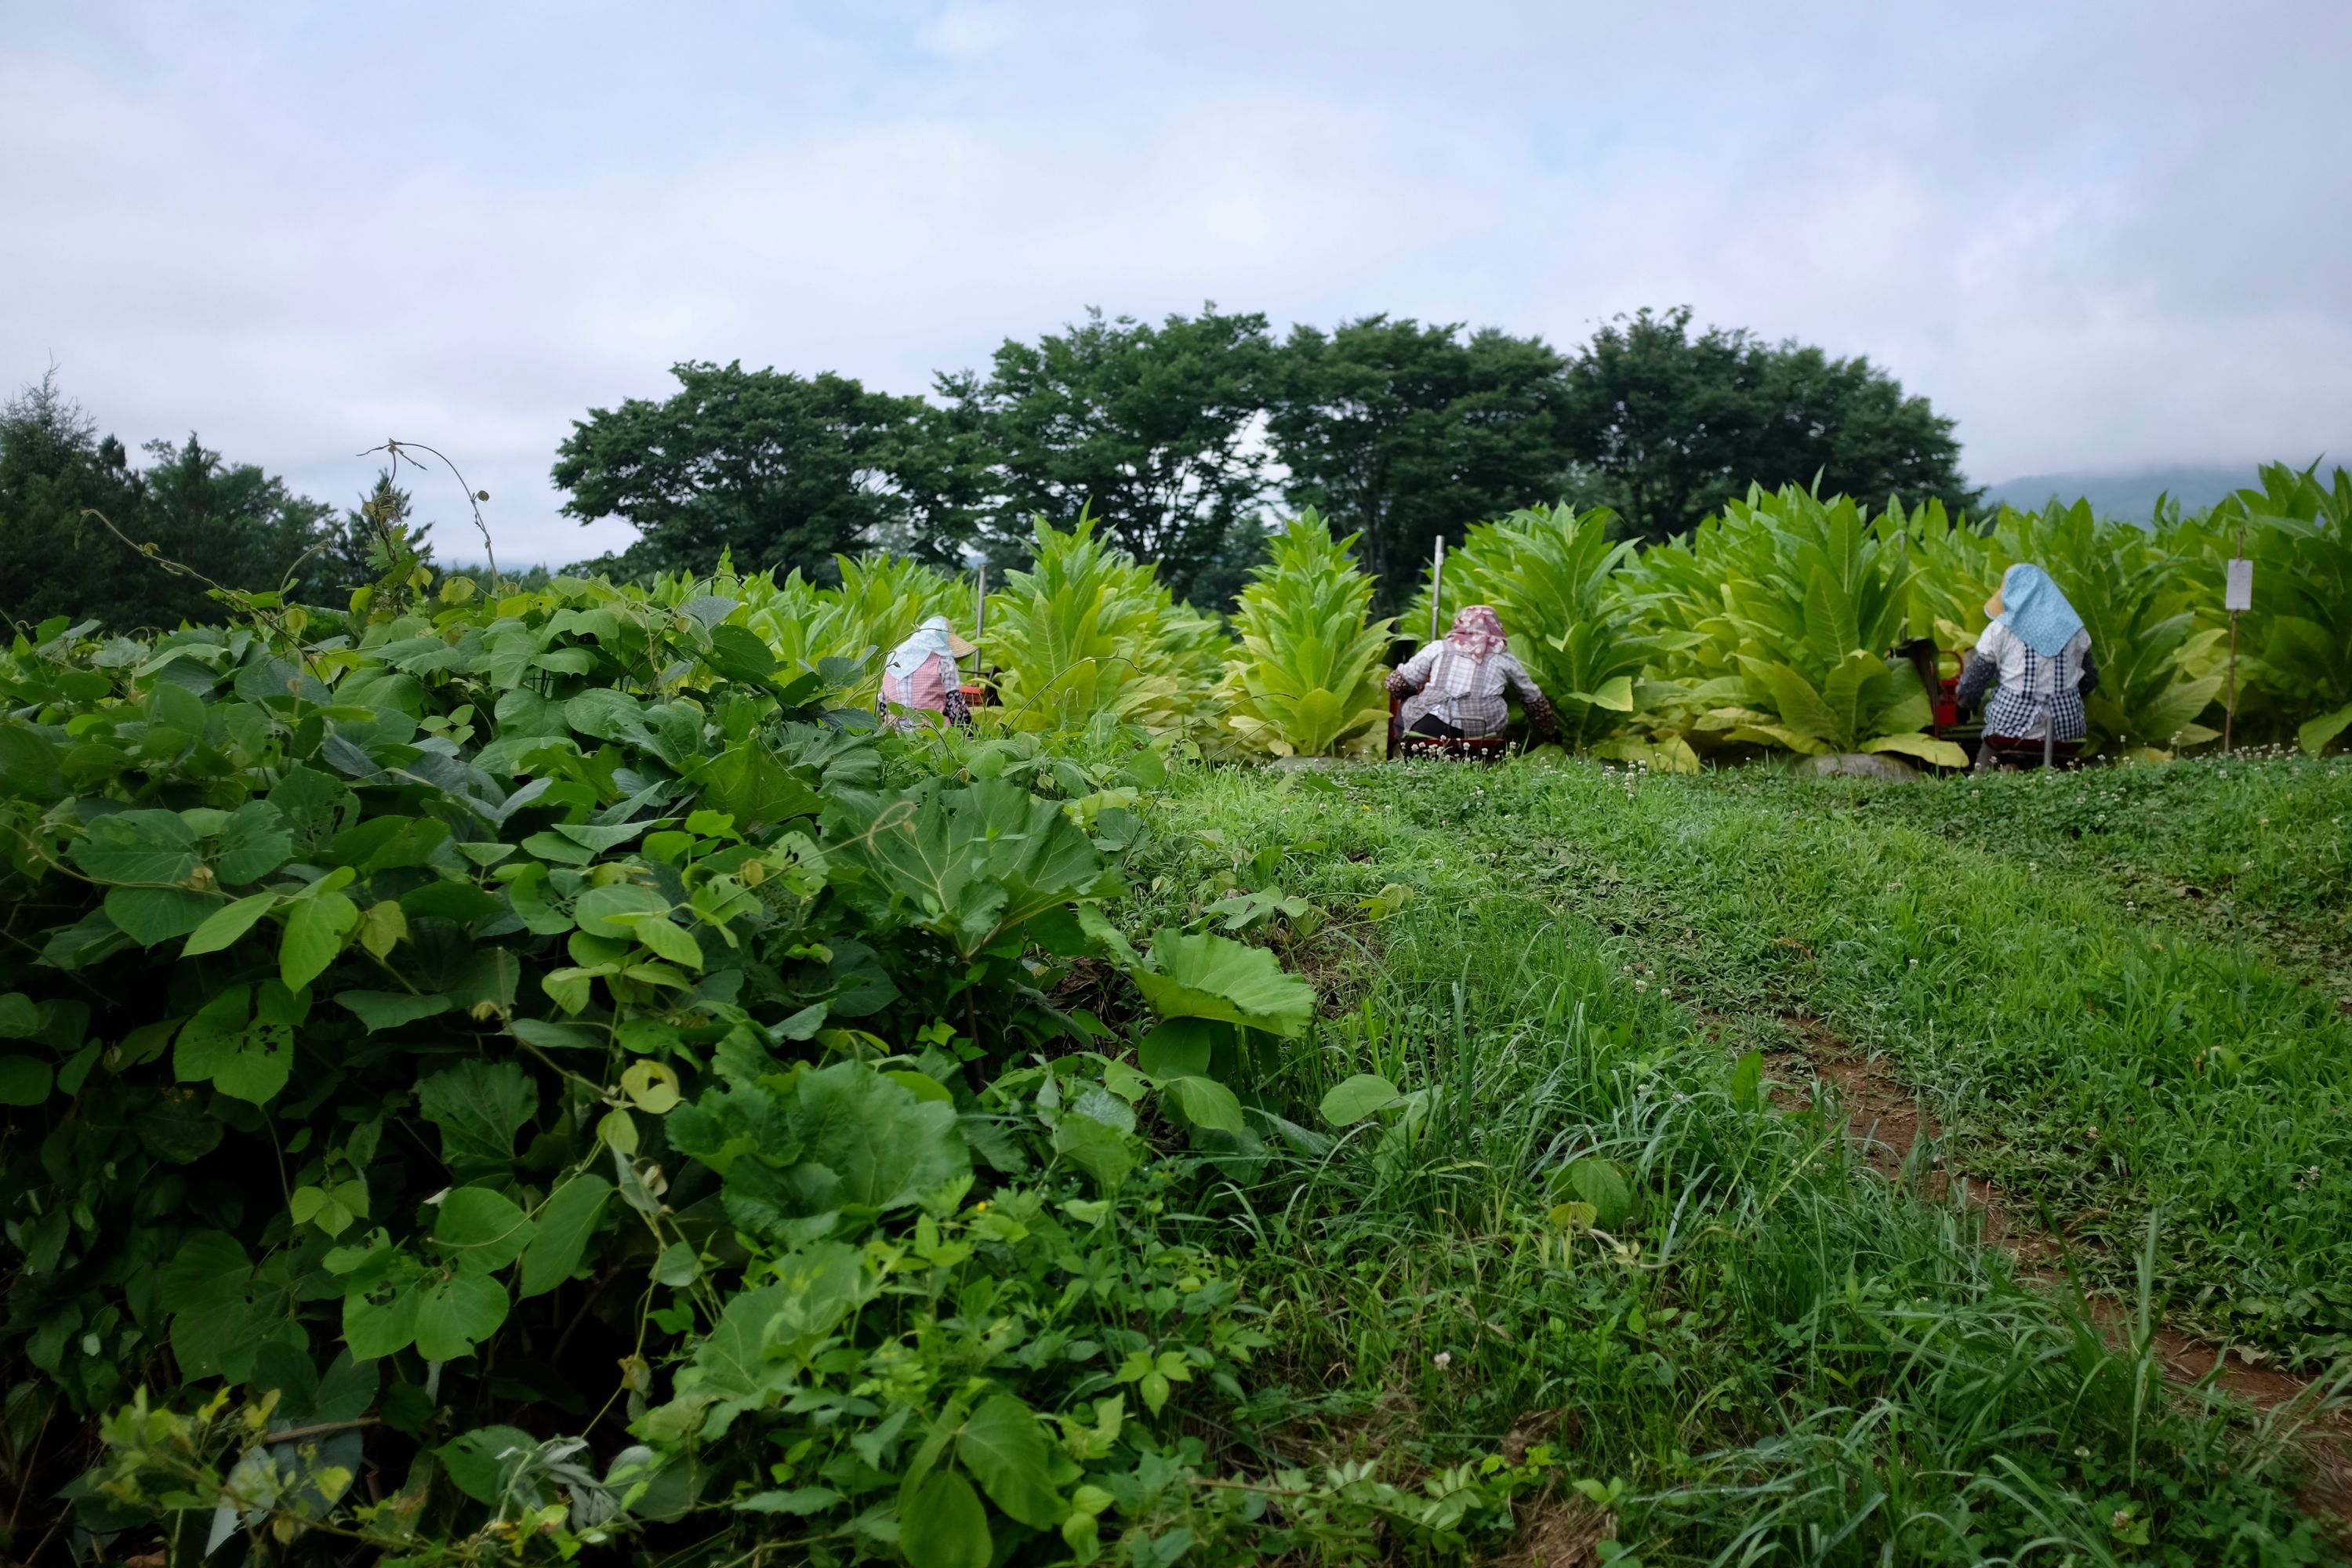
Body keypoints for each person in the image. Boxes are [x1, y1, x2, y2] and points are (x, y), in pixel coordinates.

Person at [1955, 564, 2098, 770]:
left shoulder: (2000, 629)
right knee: (2065, 752)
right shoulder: (2074, 630)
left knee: (1989, 748)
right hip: (2065, 726)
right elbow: (2090, 679)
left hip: (2012, 723)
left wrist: (1965, 704)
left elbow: (1976, 678)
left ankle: (1978, 786)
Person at [1386, 604, 1559, 747]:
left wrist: (1413, 693)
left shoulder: (1439, 648)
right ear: (1496, 628)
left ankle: (1411, 755)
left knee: (1406, 706)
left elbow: (1396, 684)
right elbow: (1534, 700)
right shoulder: (1504, 658)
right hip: (1484, 733)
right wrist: (1550, 733)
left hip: (1433, 727)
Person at [878, 615, 975, 730]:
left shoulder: (892, 659)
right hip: (933, 734)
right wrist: (972, 734)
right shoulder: (943, 661)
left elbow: (883, 706)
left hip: (896, 735)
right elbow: (955, 706)